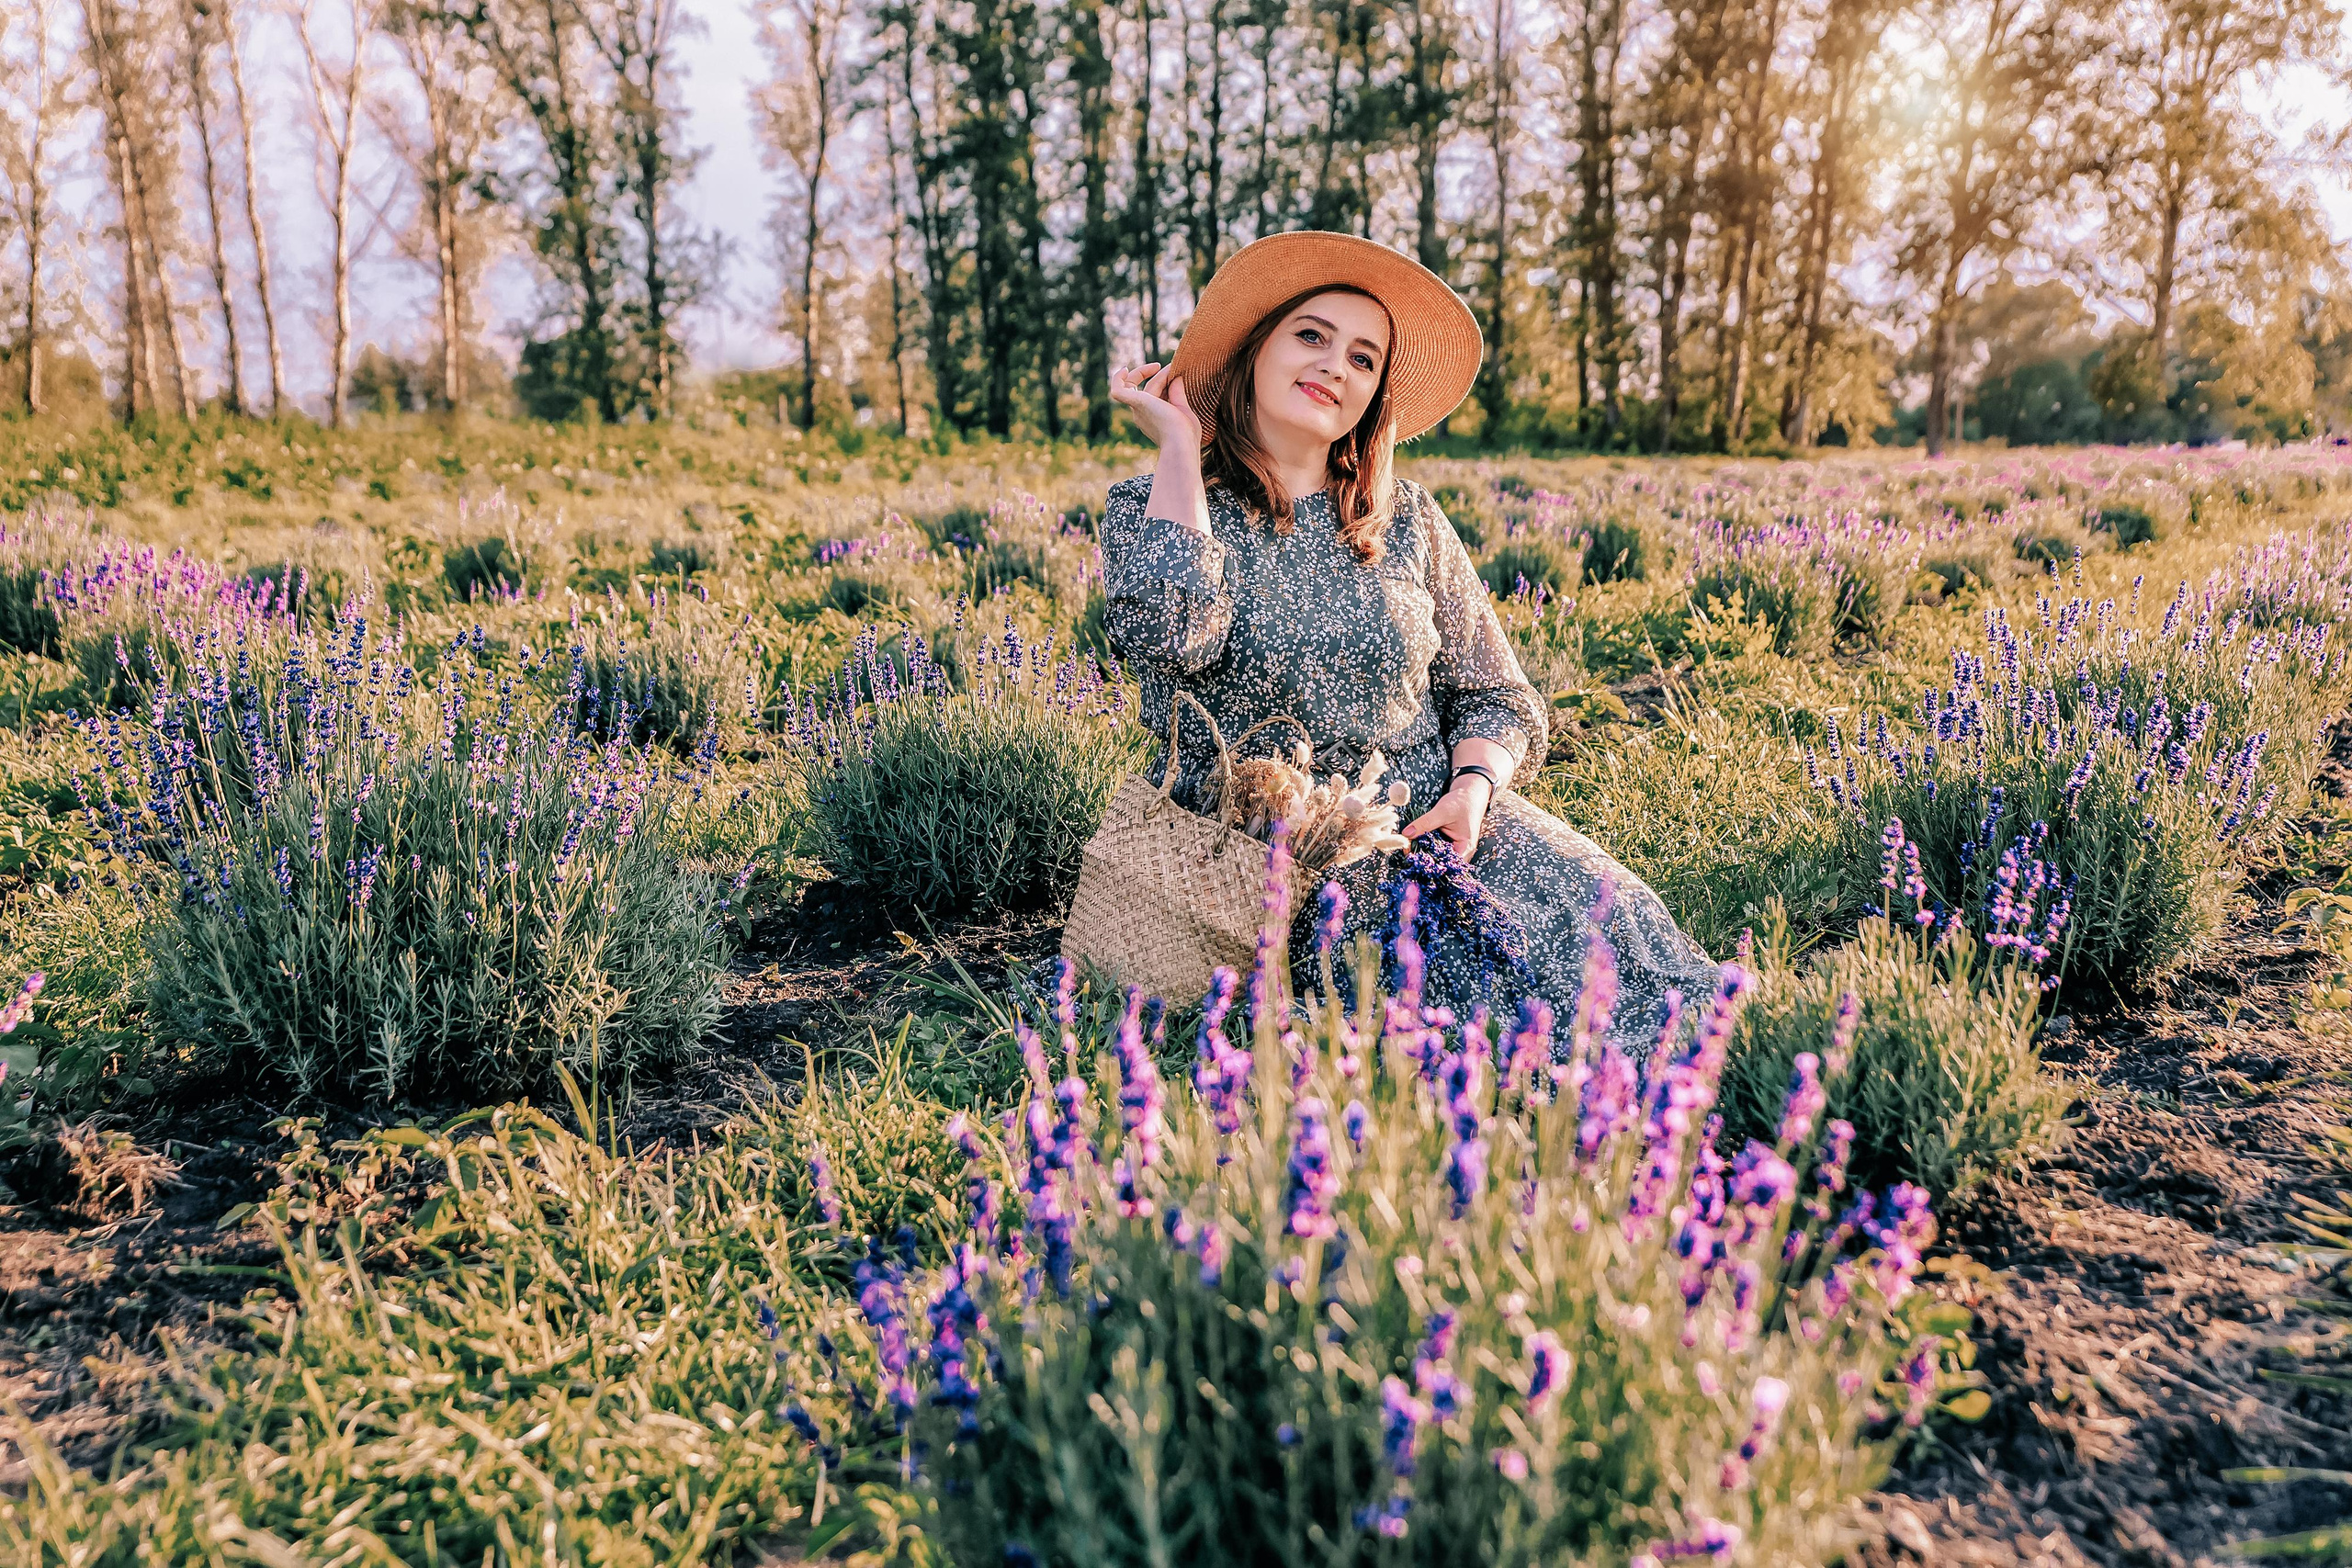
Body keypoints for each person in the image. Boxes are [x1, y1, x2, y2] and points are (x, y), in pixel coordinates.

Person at [1098, 230, 1718, 1051]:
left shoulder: (1410, 519)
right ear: (1255, 351)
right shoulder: (1157, 501)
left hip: (1438, 822)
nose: (1334, 367)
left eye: (1363, 358)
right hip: (1271, 860)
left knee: (1627, 959)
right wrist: (1182, 448)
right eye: (1311, 336)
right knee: (1474, 1020)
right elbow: (1166, 637)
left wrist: (1473, 791)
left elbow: (1496, 692)